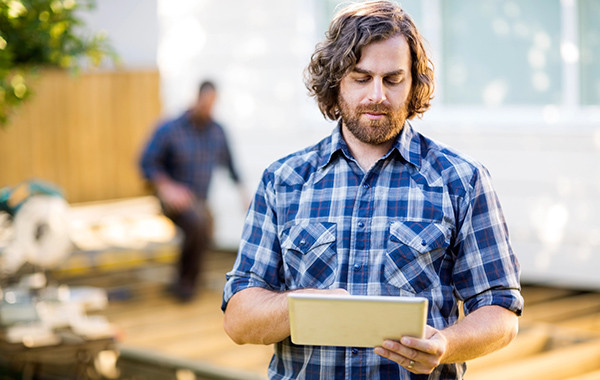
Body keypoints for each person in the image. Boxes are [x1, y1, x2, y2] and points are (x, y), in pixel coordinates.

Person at [222, 1, 523, 378]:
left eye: (393, 79)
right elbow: (238, 320)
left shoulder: (462, 180)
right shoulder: (283, 181)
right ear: (336, 81)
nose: (377, 95)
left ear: (414, 83)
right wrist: (306, 305)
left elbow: (501, 311)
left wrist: (446, 344)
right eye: (361, 78)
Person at [140, 80, 244, 302]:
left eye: (212, 104)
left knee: (204, 224)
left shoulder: (217, 132)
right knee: (198, 222)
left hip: (199, 200)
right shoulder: (170, 129)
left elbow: (231, 167)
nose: (207, 108)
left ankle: (187, 281)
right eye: (204, 103)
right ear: (196, 98)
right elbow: (146, 162)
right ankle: (185, 286)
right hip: (171, 197)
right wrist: (167, 187)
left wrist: (244, 195)